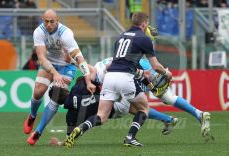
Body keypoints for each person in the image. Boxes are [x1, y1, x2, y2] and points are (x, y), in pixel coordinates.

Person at [64, 12, 172, 148]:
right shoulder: (144, 39)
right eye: (147, 24)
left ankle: (79, 129)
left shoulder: (121, 37)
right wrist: (166, 73)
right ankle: (130, 137)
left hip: (110, 77)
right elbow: (156, 66)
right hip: (125, 77)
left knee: (101, 116)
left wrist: (147, 82)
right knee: (144, 108)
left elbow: (116, 63)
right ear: (144, 24)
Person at [23, 9, 96, 145]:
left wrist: (88, 81)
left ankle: (38, 132)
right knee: (38, 91)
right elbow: (41, 57)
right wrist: (54, 73)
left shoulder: (66, 34)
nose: (49, 24)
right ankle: (32, 115)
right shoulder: (39, 32)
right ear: (42, 20)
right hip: (49, 63)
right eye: (46, 21)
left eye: (52, 21)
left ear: (58, 20)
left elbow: (80, 59)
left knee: (57, 95)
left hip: (66, 66)